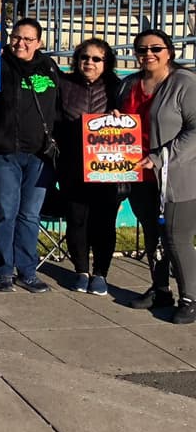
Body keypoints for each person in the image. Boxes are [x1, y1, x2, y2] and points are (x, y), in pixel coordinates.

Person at [0, 17, 61, 294]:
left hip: (39, 155)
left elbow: (61, 105)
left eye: (27, 39)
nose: (20, 43)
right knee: (5, 212)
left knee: (30, 215)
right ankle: (3, 270)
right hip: (2, 152)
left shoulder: (49, 67)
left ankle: (27, 271)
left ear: (39, 43)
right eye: (16, 37)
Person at [117, 30, 196, 316]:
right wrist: (116, 121)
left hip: (177, 177)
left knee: (176, 238)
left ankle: (191, 298)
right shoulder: (128, 84)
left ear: (169, 52)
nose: (148, 54)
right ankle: (160, 290)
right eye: (142, 49)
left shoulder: (184, 83)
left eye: (155, 48)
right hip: (138, 175)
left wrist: (160, 157)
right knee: (152, 235)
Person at [55, 38, 122, 295]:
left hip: (107, 167)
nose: (89, 62)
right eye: (84, 57)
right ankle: (81, 271)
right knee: (76, 220)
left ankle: (101, 273)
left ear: (106, 62)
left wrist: (119, 118)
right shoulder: (64, 84)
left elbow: (131, 122)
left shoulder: (118, 87)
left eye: (96, 58)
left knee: (104, 222)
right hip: (72, 165)